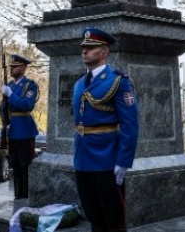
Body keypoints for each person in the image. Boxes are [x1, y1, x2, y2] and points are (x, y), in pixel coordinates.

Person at [72, 27, 139, 231]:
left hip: (107, 159)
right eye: (84, 47)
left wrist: (123, 161)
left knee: (113, 220)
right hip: (83, 158)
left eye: (91, 47)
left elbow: (130, 124)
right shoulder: (78, 83)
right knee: (94, 217)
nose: (85, 51)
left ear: (104, 52)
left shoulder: (118, 81)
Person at [0, 54, 40, 200]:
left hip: (25, 130)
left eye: (15, 66)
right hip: (12, 131)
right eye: (11, 66)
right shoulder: (9, 85)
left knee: (25, 167)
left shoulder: (30, 85)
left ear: (23, 68)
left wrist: (10, 95)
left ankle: (25, 197)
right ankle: (18, 197)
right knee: (15, 167)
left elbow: (26, 105)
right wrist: (5, 123)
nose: (12, 69)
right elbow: (2, 107)